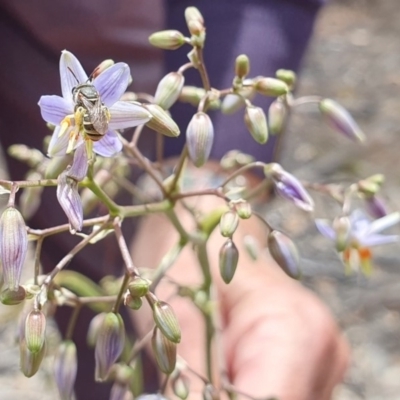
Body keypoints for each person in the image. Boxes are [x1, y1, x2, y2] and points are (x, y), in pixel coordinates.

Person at [0, 0, 348, 399]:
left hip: (67, 31)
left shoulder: (98, 121)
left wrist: (205, 188)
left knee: (129, 304)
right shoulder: (81, 131)